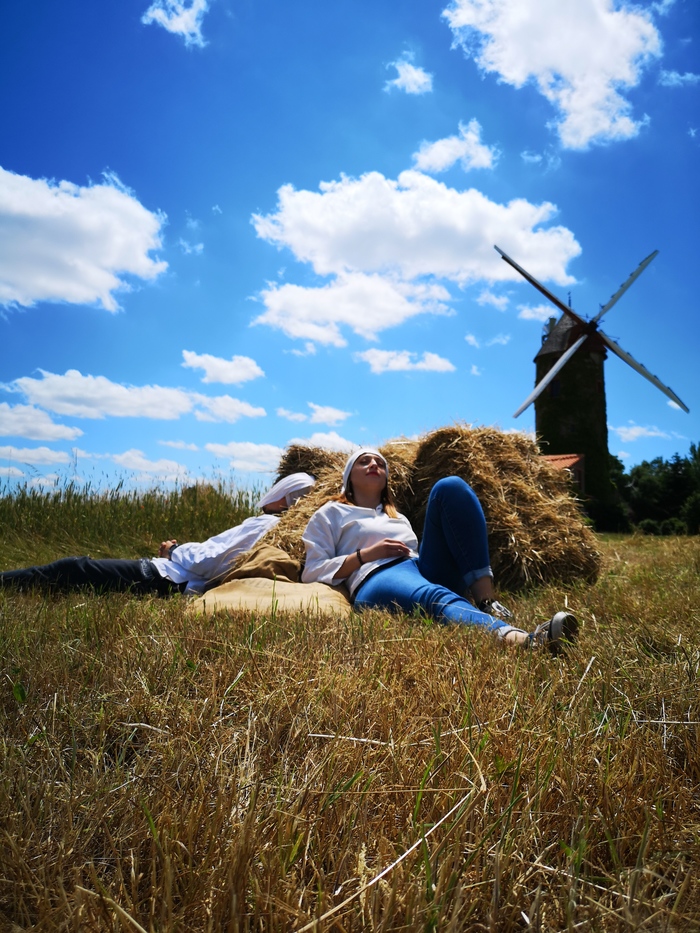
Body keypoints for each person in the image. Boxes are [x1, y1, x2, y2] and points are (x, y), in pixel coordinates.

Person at [301, 449, 577, 651]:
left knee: (450, 487)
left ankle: (486, 602)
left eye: (380, 463)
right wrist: (367, 554)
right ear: (349, 476)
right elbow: (312, 570)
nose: (374, 464)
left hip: (419, 567)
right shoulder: (331, 513)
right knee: (431, 596)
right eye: (364, 461)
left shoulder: (397, 517)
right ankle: (525, 642)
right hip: (377, 575)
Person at [0, 473, 315, 597]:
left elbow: (211, 560)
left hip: (168, 576)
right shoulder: (274, 529)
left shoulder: (263, 526)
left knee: (73, 569)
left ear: (285, 498)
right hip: (174, 575)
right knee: (75, 579)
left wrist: (174, 550)